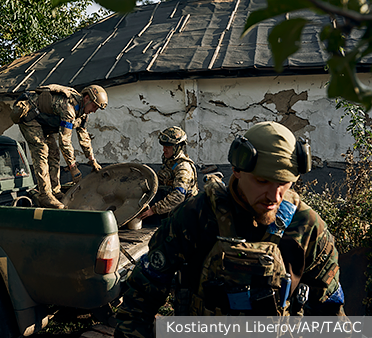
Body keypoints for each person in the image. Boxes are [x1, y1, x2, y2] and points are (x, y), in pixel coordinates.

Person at [115, 121, 345, 337]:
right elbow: (142, 296)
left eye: (284, 183)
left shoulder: (306, 226)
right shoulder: (197, 215)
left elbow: (331, 311)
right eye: (262, 181)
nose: (274, 197)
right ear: (237, 170)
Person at [13, 84, 107, 209]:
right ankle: (45, 195)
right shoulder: (69, 108)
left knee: (54, 153)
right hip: (29, 116)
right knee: (42, 150)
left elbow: (84, 137)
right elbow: (65, 141)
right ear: (86, 98)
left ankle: (55, 191)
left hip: (43, 123)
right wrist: (73, 167)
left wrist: (92, 160)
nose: (94, 110)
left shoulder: (82, 114)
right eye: (94, 106)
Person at [137, 126, 198, 222]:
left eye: (168, 147)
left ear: (177, 147)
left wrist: (153, 210)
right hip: (169, 211)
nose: (164, 150)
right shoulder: (170, 162)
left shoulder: (183, 168)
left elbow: (178, 197)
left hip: (184, 217)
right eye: (164, 146)